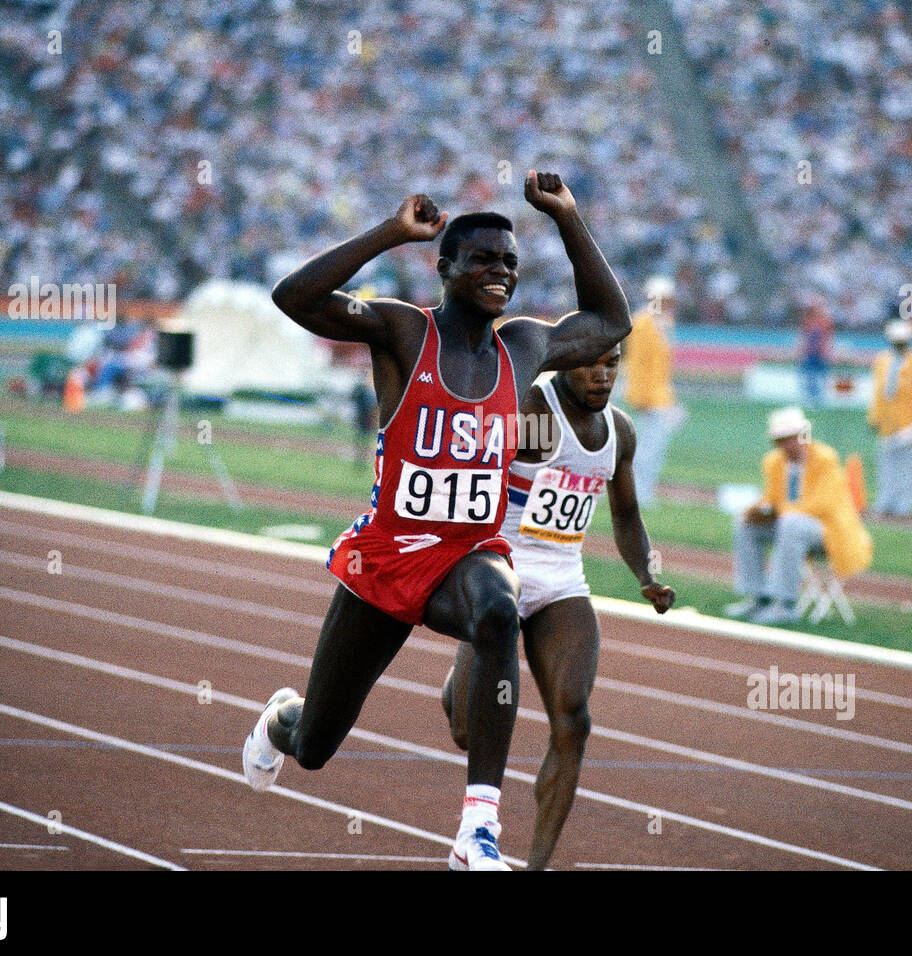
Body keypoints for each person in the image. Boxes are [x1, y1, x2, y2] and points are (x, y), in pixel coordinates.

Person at [241, 171, 632, 871]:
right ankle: (282, 720)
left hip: (467, 552)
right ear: (445, 267)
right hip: (387, 558)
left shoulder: (525, 349)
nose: (499, 272)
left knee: (497, 611)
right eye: (482, 258)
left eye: (510, 262)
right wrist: (390, 231)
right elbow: (292, 297)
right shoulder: (400, 330)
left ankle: (477, 831)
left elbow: (609, 324)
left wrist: (569, 217)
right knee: (316, 746)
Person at [439, 345, 675, 870]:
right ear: (564, 361)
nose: (602, 373)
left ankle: (536, 865)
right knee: (463, 726)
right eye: (591, 362)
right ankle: (460, 679)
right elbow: (472, 467)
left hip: (563, 578)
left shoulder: (620, 432)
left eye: (613, 362)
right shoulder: (534, 412)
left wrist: (647, 575)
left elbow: (628, 513)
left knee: (574, 719)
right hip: (501, 567)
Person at [726, 406, 873, 625]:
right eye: (780, 440)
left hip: (829, 531)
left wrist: (778, 512)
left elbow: (822, 504)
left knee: (790, 523)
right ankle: (760, 596)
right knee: (745, 524)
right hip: (791, 526)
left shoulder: (825, 459)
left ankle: (785, 603)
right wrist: (758, 510)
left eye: (789, 438)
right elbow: (773, 497)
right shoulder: (774, 461)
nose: (785, 445)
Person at [622, 275, 684, 506]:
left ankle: (643, 492)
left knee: (654, 448)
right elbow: (637, 363)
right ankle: (638, 494)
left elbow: (662, 368)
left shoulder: (663, 323)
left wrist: (671, 401)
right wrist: (642, 396)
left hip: (661, 397)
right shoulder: (643, 323)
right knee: (647, 449)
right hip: (649, 398)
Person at [867, 319, 912, 517]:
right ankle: (885, 503)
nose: (899, 345)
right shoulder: (882, 361)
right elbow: (878, 393)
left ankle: (904, 506)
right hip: (889, 423)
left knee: (908, 467)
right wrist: (875, 418)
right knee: (887, 465)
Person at [797, 297, 833, 409]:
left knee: (821, 376)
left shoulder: (826, 321)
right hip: (809, 353)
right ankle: (811, 398)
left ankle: (820, 399)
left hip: (821, 354)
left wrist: (828, 352)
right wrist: (800, 350)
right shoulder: (807, 320)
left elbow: (829, 338)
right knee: (809, 376)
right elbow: (803, 337)